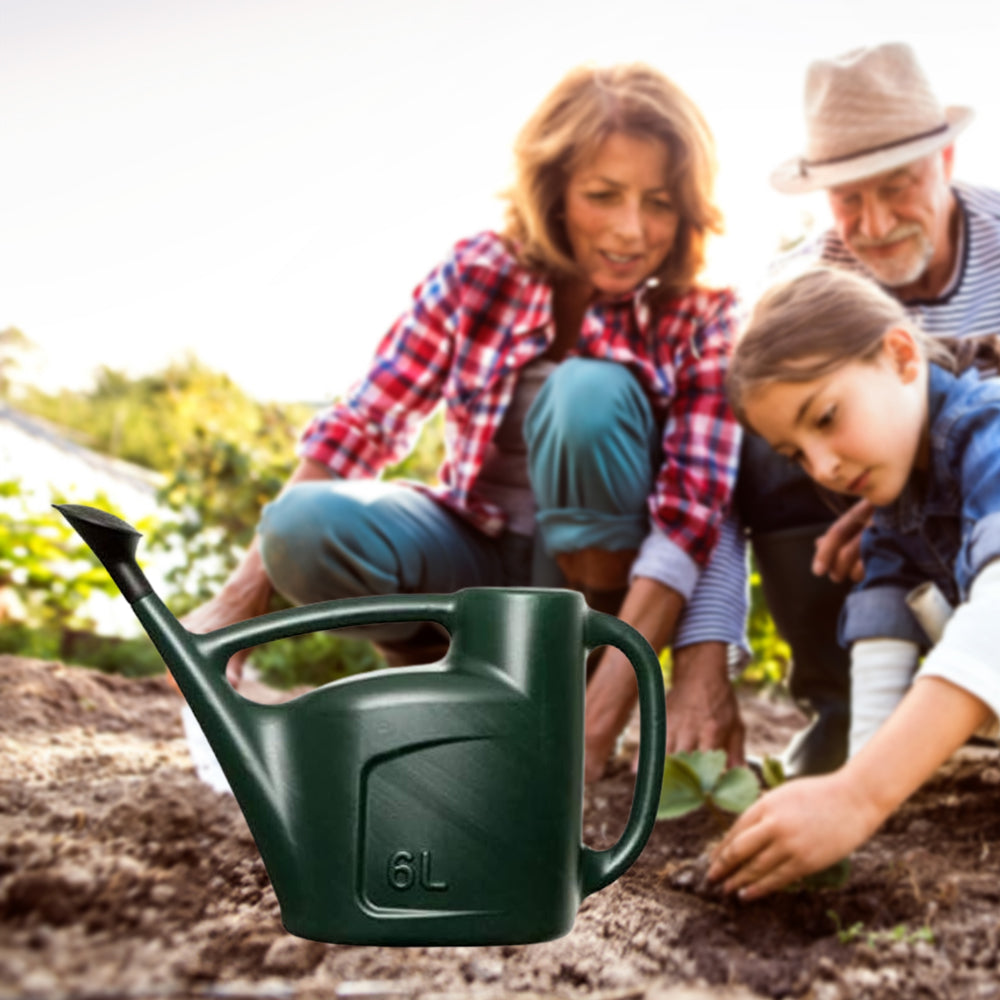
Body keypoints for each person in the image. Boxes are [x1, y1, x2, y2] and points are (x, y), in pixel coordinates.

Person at [180, 62, 745, 782]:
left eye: (660, 203)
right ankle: (443, 679)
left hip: (593, 594)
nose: (632, 230)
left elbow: (687, 525)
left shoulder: (703, 313)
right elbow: (368, 420)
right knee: (300, 524)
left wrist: (593, 736)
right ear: (556, 192)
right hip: (473, 552)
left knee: (585, 397)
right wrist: (236, 607)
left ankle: (563, 692)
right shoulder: (483, 269)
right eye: (603, 195)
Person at [680, 40, 1000, 777]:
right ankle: (846, 707)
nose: (877, 221)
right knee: (773, 413)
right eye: (849, 198)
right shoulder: (802, 287)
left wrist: (925, 457)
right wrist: (705, 657)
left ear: (946, 164)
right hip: (898, 508)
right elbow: (710, 477)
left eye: (897, 186)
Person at [708, 265, 1000, 898]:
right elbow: (883, 630)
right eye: (795, 455)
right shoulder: (896, 505)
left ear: (900, 357)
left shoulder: (989, 432)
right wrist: (855, 776)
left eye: (826, 417)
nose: (823, 466)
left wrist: (861, 796)